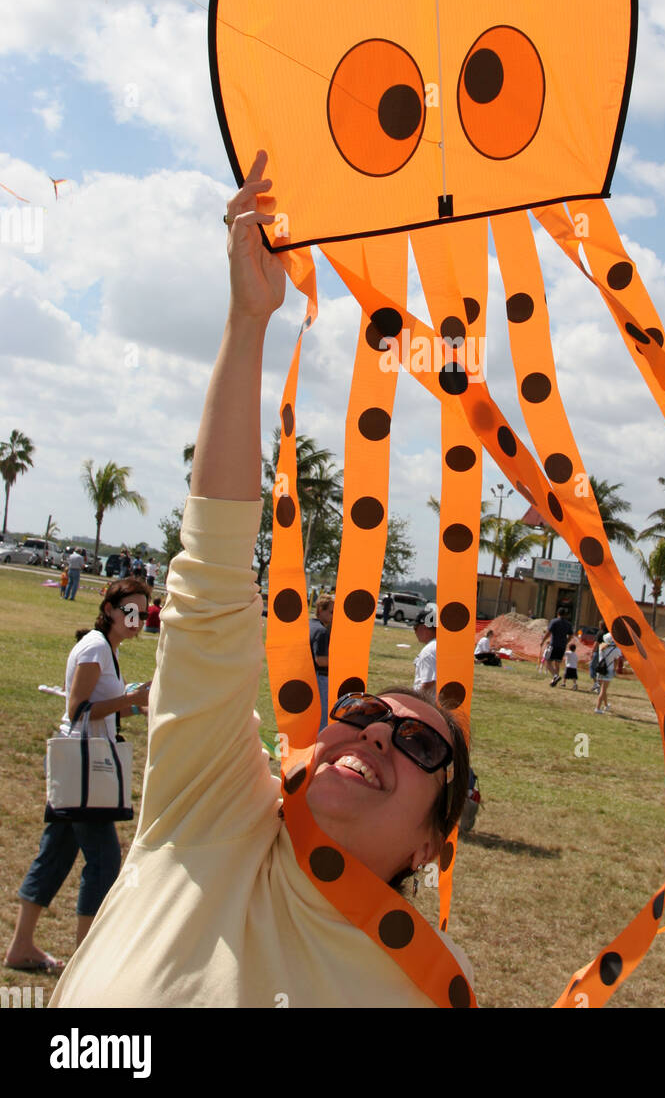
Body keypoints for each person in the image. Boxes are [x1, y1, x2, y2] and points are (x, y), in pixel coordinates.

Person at [50, 154, 471, 1008]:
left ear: (433, 842)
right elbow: (209, 581)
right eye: (359, 714)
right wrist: (249, 322)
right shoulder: (210, 805)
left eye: (421, 745)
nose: (379, 736)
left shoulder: (422, 990)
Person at [4, 579, 150, 975]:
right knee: (104, 860)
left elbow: (99, 710)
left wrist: (135, 708)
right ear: (109, 611)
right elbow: (78, 710)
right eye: (130, 610)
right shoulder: (96, 648)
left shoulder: (107, 649)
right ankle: (87, 960)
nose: (137, 619)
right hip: (84, 767)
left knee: (55, 854)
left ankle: (21, 947)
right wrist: (132, 700)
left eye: (143, 612)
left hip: (78, 769)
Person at [309, 594, 335, 732]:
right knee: (324, 720)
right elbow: (321, 660)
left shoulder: (309, 625)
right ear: (320, 610)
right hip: (320, 678)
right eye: (331, 612)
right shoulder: (322, 631)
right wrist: (339, 662)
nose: (333, 615)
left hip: (309, 677)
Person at [414, 605, 438, 696]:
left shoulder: (429, 651)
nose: (415, 632)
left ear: (424, 627)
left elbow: (427, 684)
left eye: (415, 628)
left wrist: (415, 702)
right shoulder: (441, 646)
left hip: (428, 702)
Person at [546, 605, 573, 686]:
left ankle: (555, 676)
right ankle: (554, 681)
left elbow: (548, 632)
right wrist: (566, 642)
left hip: (554, 644)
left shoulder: (554, 621)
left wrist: (543, 641)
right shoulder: (568, 624)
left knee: (548, 662)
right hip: (562, 646)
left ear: (558, 613)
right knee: (557, 664)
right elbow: (571, 635)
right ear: (565, 615)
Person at [594, 632, 618, 713]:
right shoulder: (616, 650)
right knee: (603, 690)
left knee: (602, 689)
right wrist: (615, 670)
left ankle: (606, 705)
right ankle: (597, 708)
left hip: (600, 669)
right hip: (609, 670)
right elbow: (616, 661)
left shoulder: (601, 647)